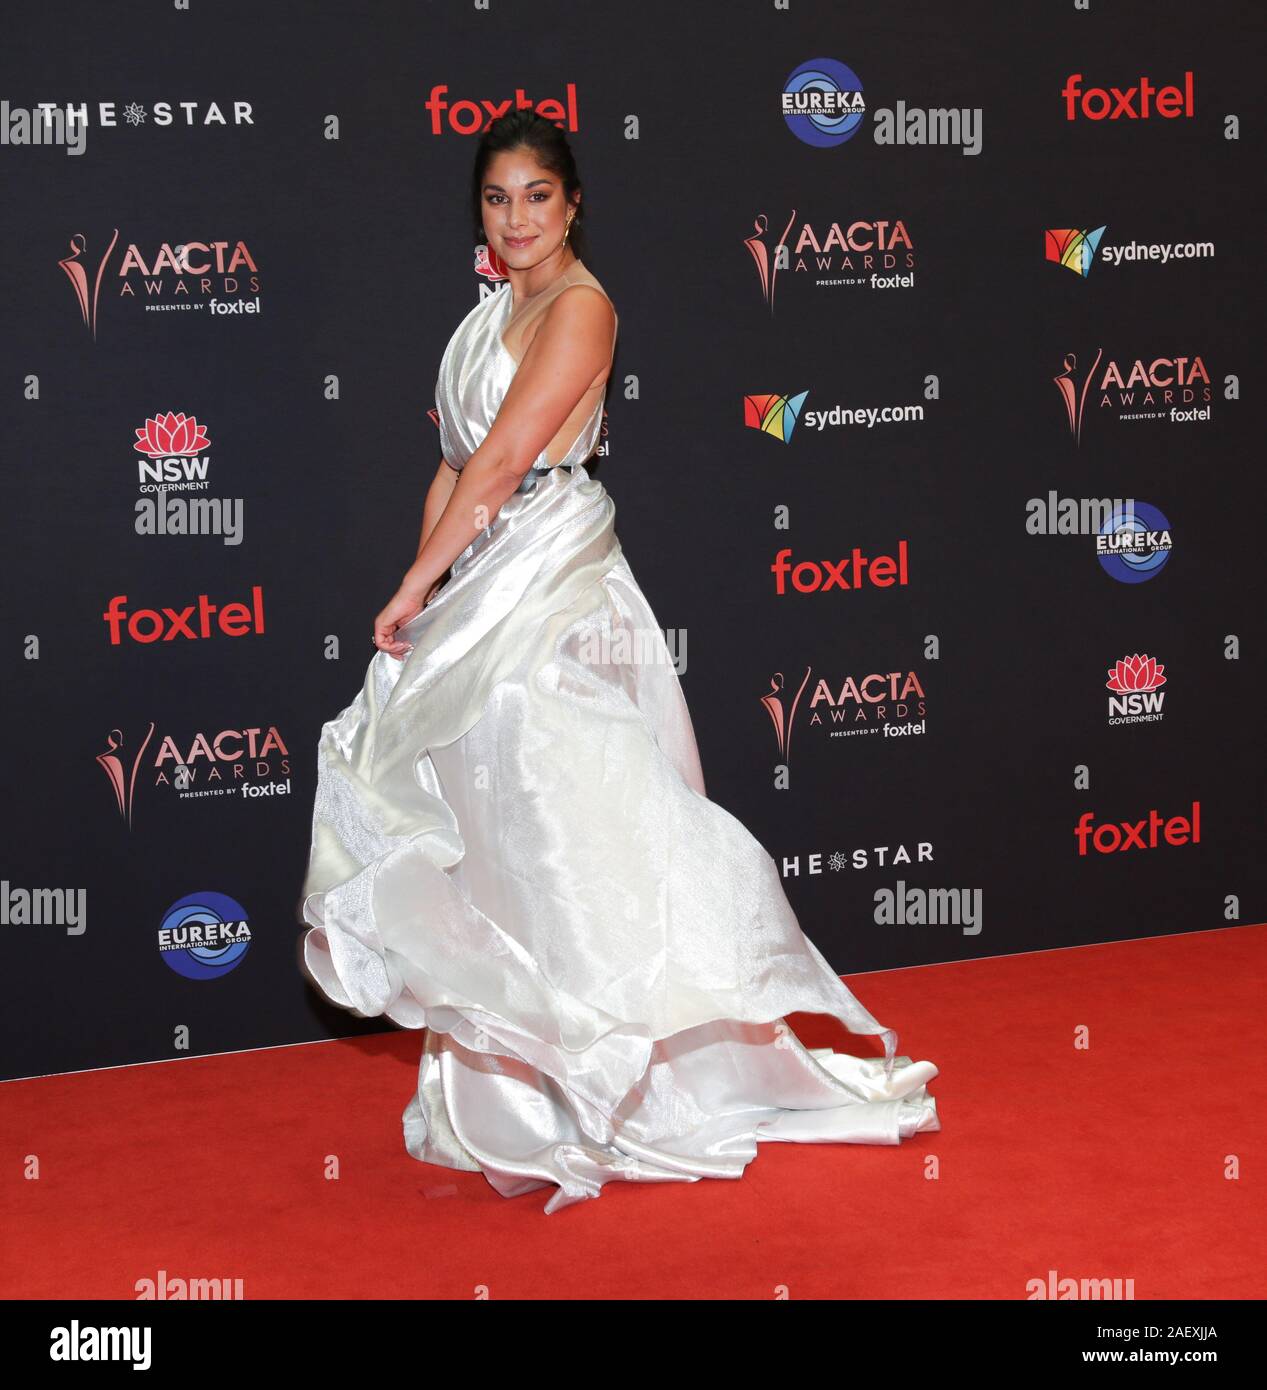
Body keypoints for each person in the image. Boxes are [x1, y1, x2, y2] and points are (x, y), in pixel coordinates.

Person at [298, 110, 940, 1214]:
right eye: (497, 199)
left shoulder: (582, 309)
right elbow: (454, 464)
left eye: (537, 197)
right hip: (479, 576)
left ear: (573, 201)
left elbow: (508, 458)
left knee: (572, 820)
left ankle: (627, 1084)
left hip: (553, 575)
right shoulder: (489, 311)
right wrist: (429, 584)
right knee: (488, 825)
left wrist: (410, 590)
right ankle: (526, 1090)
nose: (517, 220)